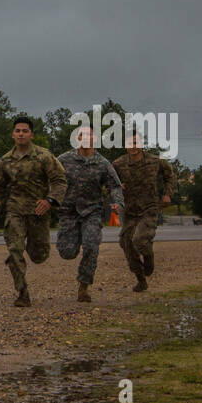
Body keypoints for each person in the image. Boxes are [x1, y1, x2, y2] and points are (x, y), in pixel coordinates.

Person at [0, 115, 67, 307]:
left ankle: (37, 252)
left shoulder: (44, 157)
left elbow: (60, 181)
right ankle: (22, 292)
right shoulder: (5, 160)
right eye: (17, 131)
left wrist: (50, 200)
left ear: (31, 134)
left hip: (38, 212)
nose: (21, 134)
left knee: (39, 255)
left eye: (25, 131)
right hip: (14, 210)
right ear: (12, 134)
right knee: (14, 250)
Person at [56, 125, 123, 302]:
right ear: (77, 138)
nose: (86, 138)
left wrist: (117, 202)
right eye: (82, 135)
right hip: (68, 212)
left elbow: (114, 185)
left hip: (92, 211)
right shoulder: (63, 160)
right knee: (67, 252)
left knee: (92, 245)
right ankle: (75, 238)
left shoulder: (102, 163)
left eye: (90, 135)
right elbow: (50, 178)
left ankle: (84, 286)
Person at [112, 132, 176, 292]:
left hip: (149, 208)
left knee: (139, 240)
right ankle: (141, 279)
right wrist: (116, 190)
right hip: (130, 211)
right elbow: (109, 182)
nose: (133, 147)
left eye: (136, 143)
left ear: (141, 144)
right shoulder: (118, 164)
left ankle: (148, 257)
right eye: (129, 143)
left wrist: (168, 194)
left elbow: (170, 175)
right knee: (126, 243)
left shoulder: (154, 161)